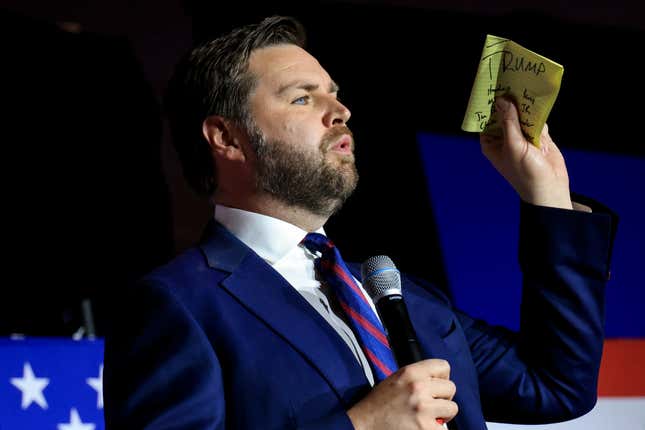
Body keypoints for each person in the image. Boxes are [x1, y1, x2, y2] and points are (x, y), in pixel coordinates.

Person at [104, 16, 617, 430]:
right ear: (226, 137)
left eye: (334, 92)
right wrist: (362, 426)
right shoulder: (179, 305)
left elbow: (556, 386)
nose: (341, 110)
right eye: (303, 97)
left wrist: (545, 193)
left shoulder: (396, 295)